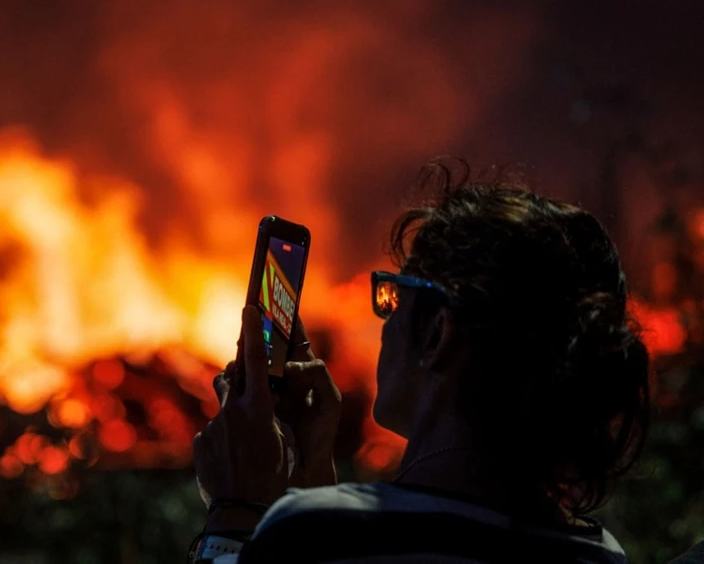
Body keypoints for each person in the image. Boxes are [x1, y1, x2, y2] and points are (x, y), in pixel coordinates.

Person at [190, 162, 651, 563]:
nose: (385, 322)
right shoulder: (599, 552)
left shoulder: (314, 533)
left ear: (437, 334)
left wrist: (234, 512)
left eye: (394, 297)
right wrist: (316, 487)